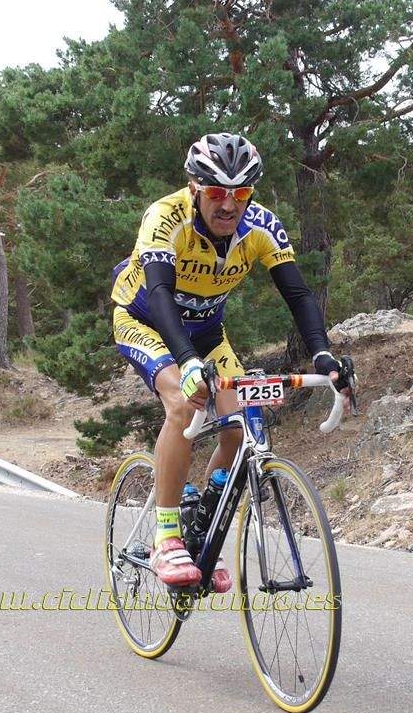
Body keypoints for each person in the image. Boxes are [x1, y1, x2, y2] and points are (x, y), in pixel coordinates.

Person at [111, 133, 353, 590]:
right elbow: (160, 292)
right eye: (217, 192)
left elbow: (298, 294)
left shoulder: (262, 227)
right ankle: (167, 537)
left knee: (239, 424)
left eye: (240, 193)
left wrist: (321, 350)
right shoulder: (165, 217)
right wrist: (184, 362)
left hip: (206, 332)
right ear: (194, 187)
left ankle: (199, 524)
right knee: (183, 406)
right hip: (146, 319)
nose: (229, 204)